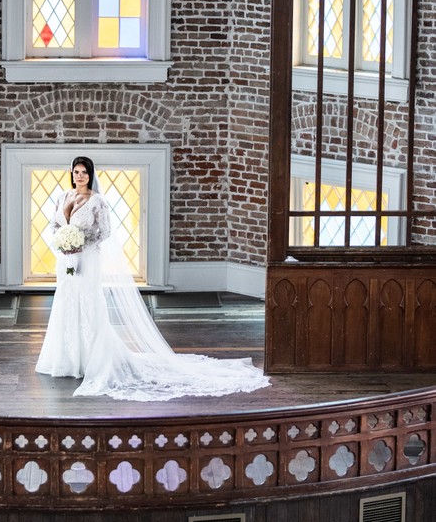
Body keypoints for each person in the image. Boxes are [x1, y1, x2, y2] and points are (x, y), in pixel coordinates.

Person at [35, 156, 270, 401]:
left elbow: (104, 232)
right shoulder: (63, 196)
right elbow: (53, 224)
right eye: (76, 171)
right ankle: (66, 360)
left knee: (88, 303)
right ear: (71, 173)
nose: (79, 176)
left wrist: (80, 244)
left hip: (87, 260)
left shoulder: (98, 201)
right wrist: (62, 243)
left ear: (90, 174)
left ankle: (91, 359)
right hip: (65, 261)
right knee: (66, 302)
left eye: (84, 172)